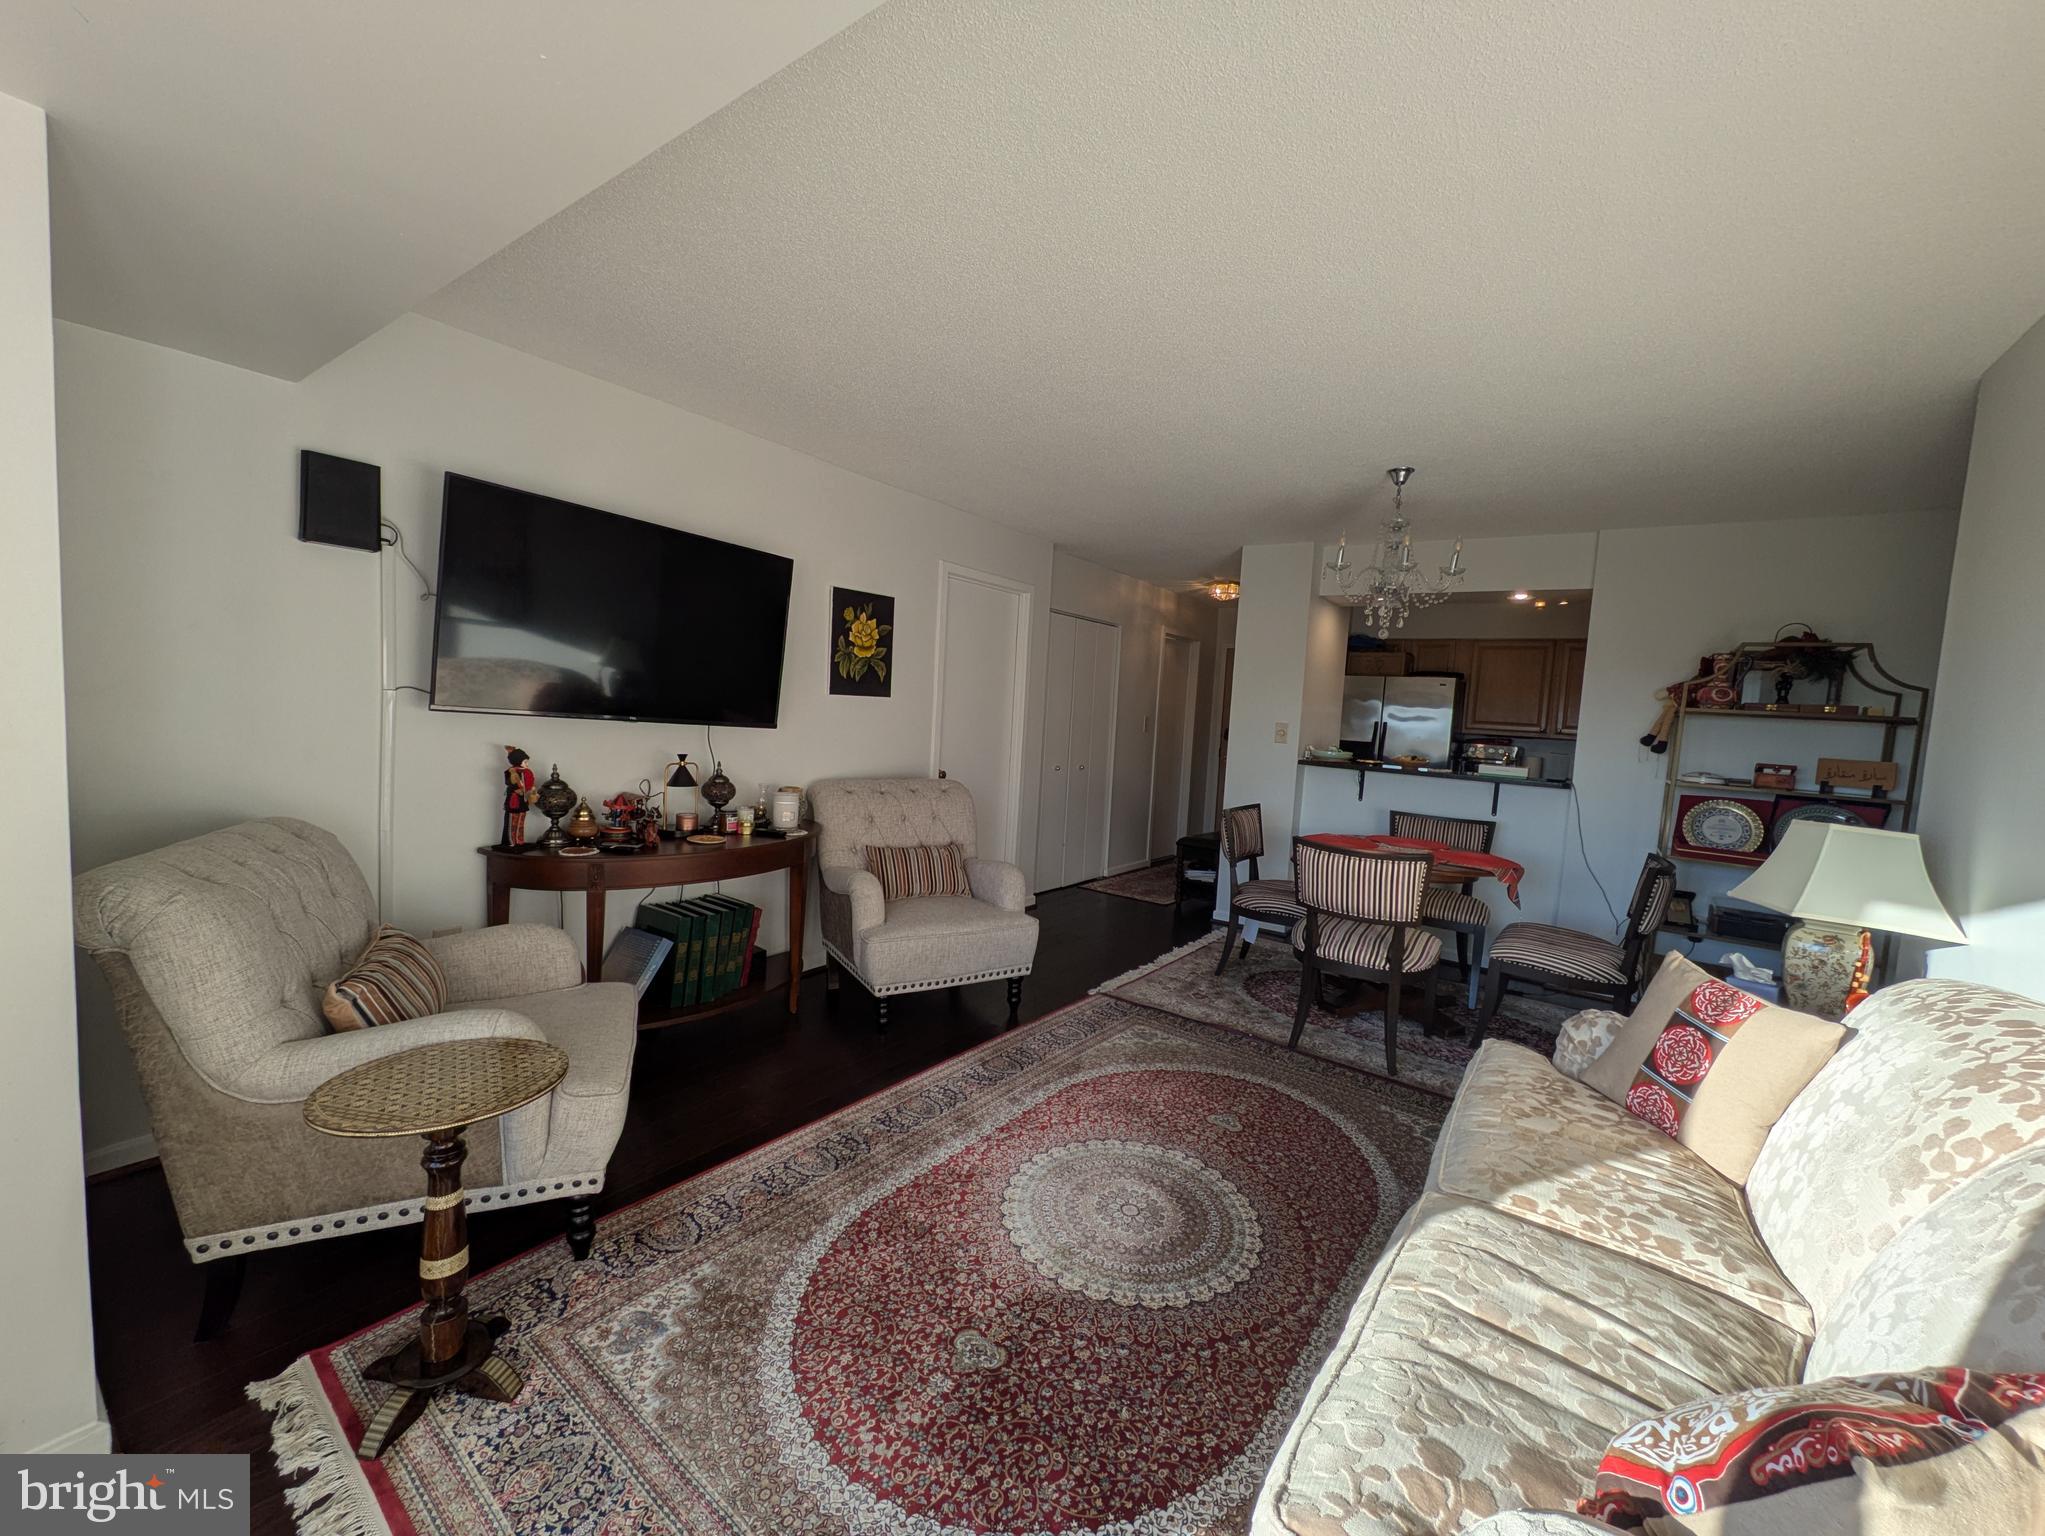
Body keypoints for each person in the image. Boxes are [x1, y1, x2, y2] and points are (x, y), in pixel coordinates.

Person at [501, 746, 535, 848]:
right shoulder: (510, 772)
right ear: (518, 761)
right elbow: (510, 783)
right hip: (514, 800)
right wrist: (518, 787)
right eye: (525, 762)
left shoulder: (526, 772)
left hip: (522, 800)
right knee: (514, 821)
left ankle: (520, 841)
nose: (527, 764)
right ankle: (513, 841)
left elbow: (526, 786)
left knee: (521, 822)